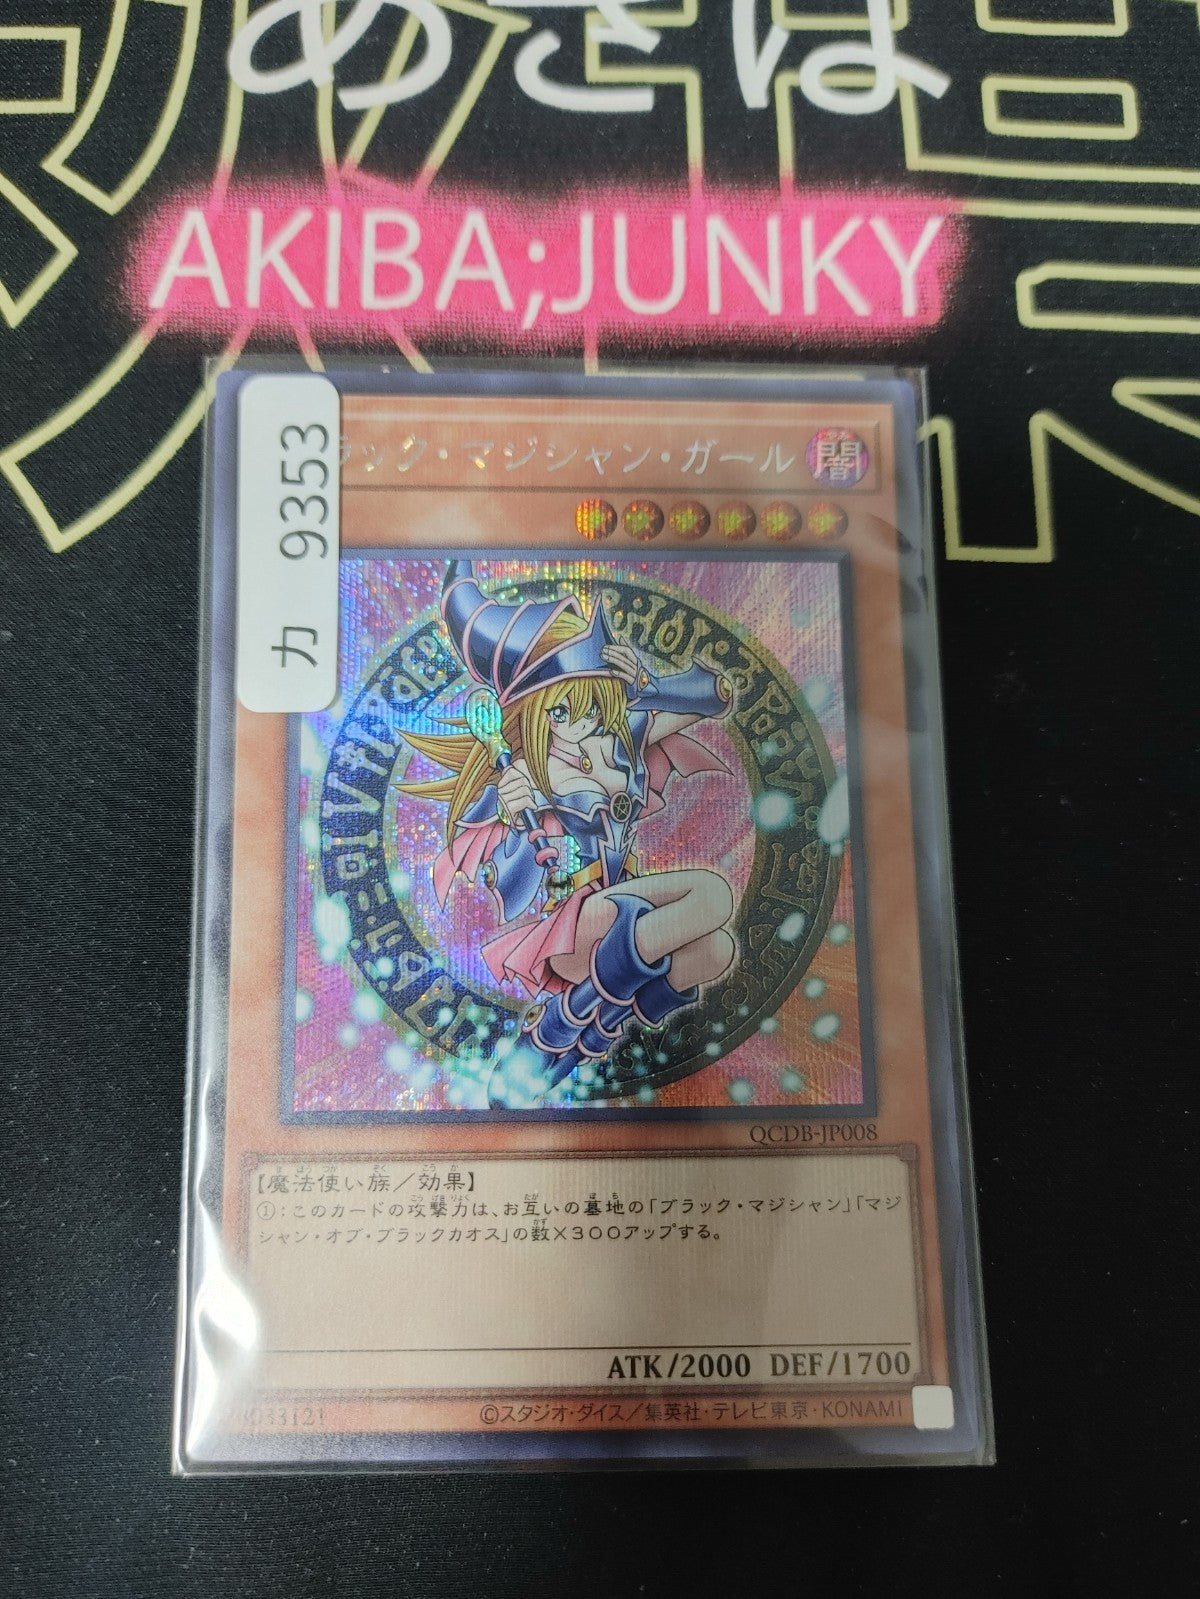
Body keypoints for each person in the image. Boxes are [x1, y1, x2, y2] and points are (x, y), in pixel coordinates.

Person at [400, 559, 737, 1102]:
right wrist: (511, 811)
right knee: (712, 894)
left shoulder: (619, 740)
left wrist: (646, 683)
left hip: (621, 912)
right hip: (576, 921)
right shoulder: (524, 773)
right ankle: (557, 1029)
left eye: (590, 707)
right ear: (533, 714)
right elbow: (502, 853)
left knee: (716, 951)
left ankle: (572, 1043)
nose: (579, 722)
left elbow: (712, 697)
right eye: (561, 712)